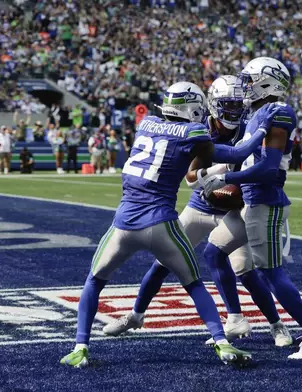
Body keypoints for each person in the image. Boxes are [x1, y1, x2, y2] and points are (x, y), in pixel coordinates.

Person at [60, 81, 252, 368]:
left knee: (94, 281)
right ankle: (222, 344)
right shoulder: (193, 131)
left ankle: (80, 347)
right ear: (193, 107)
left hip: (124, 224)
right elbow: (235, 155)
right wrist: (262, 131)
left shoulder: (146, 122)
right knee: (194, 284)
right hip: (162, 224)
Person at [103, 75, 291, 348]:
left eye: (238, 105)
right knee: (163, 263)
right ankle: (135, 315)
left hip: (234, 209)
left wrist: (230, 177)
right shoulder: (198, 127)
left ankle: (275, 325)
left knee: (245, 269)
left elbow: (262, 165)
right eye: (228, 105)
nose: (234, 111)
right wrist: (222, 171)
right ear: (213, 105)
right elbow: (191, 178)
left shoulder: (250, 125)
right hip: (200, 205)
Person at [198, 57, 302, 360]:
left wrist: (225, 177)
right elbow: (242, 156)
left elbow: (268, 168)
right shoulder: (257, 114)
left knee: (271, 272)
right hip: (250, 202)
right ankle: (235, 318)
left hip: (265, 202)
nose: (245, 86)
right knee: (213, 252)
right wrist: (214, 168)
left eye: (249, 80)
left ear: (266, 82)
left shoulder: (278, 112)